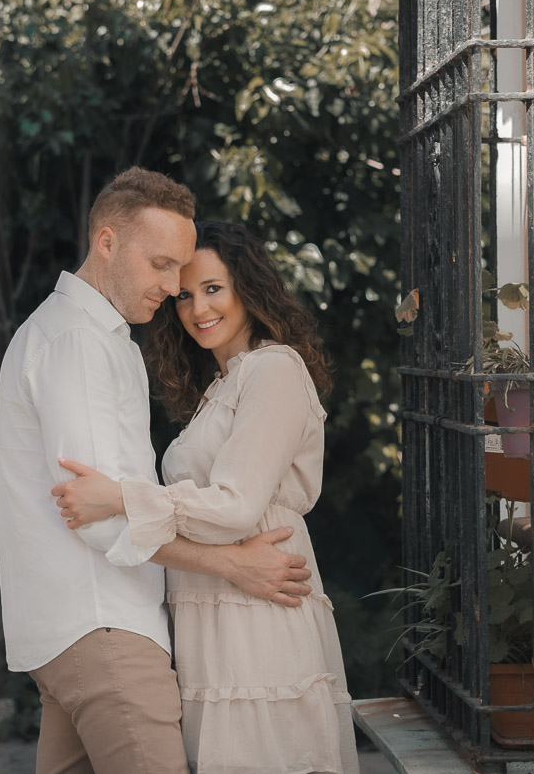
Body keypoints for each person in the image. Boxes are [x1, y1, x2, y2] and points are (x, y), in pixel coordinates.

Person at [0, 171, 316, 774]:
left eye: (185, 272)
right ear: (108, 242)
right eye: (162, 265)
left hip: (82, 631)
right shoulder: (78, 343)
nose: (174, 289)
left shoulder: (92, 337)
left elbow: (112, 501)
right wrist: (231, 564)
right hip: (105, 627)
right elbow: (95, 516)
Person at [52, 220, 360, 774]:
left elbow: (237, 507)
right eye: (186, 296)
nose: (197, 310)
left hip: (259, 610)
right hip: (212, 611)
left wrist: (122, 498)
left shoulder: (274, 368)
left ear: (247, 287)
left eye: (213, 288)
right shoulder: (220, 388)